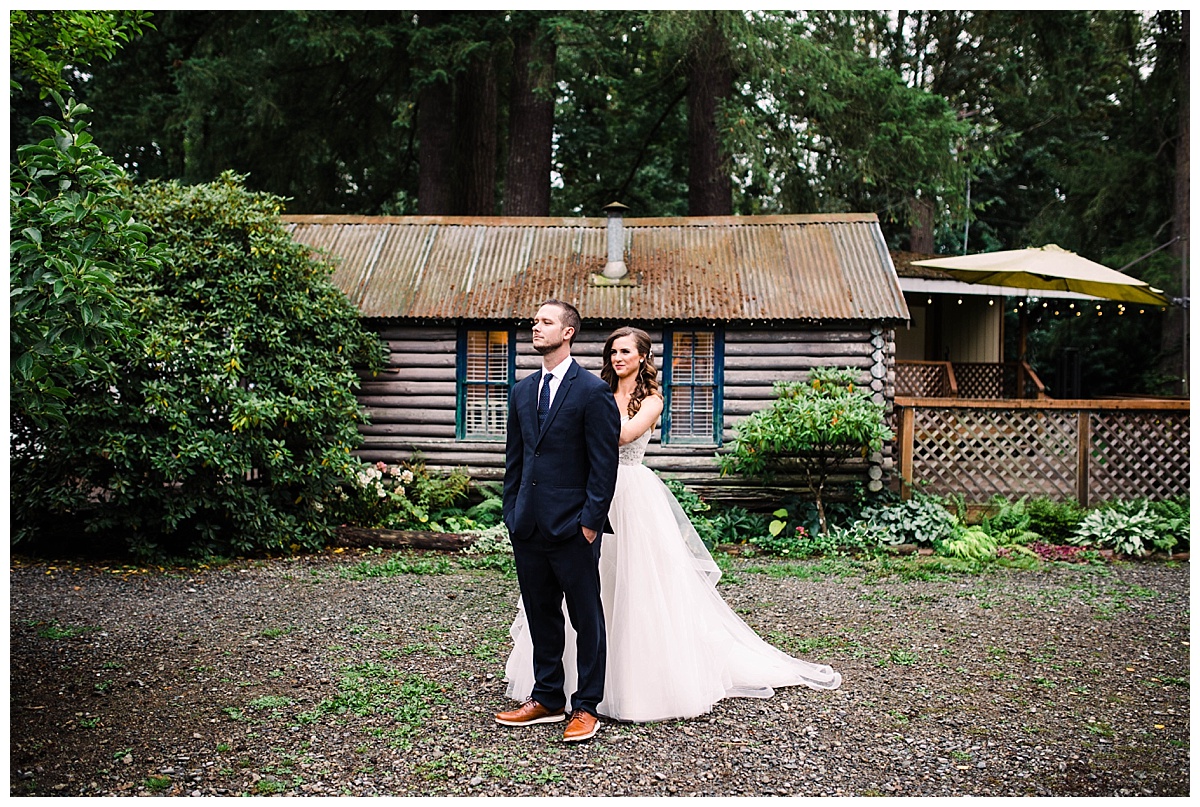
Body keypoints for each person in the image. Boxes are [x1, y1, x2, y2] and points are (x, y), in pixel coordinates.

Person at [503, 326, 842, 723]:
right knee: (576, 594)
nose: (617, 358)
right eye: (613, 351)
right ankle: (554, 689)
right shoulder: (590, 390)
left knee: (627, 590)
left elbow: (621, 435)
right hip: (578, 492)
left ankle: (623, 686)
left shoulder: (647, 399)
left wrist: (574, 418)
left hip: (628, 496)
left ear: (643, 357)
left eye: (626, 352)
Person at [494, 300, 621, 743]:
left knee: (587, 617)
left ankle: (587, 706)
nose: (536, 327)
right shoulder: (522, 390)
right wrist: (511, 513)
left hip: (573, 527)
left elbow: (604, 467)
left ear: (568, 332)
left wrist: (590, 523)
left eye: (546, 322)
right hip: (527, 525)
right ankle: (548, 697)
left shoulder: (592, 391)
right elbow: (515, 460)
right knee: (540, 613)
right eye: (535, 321)